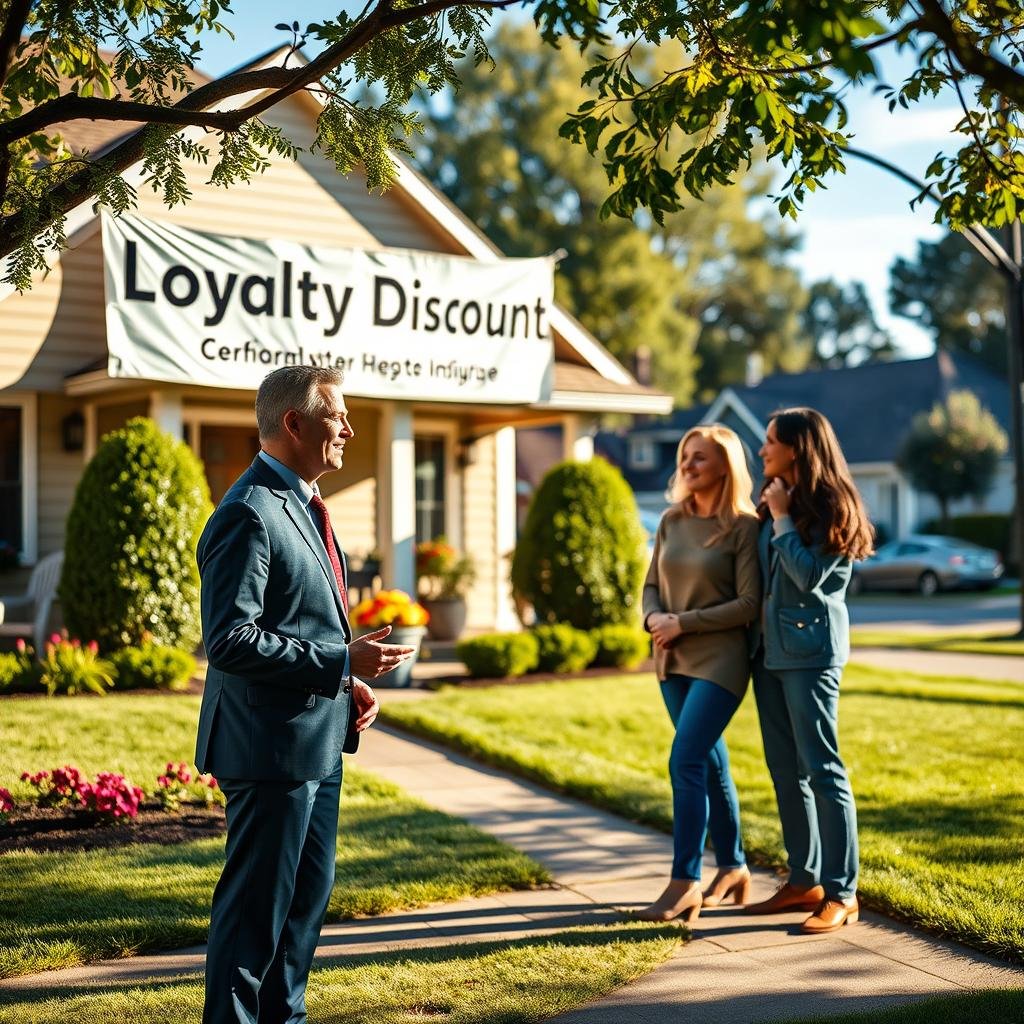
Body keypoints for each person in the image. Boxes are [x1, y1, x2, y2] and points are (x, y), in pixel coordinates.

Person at [195, 365, 416, 1024]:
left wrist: (344, 686)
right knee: (253, 926)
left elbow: (296, 624)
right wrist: (338, 663)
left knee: (299, 921)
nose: (348, 427)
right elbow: (230, 641)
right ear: (295, 423)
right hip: (268, 753)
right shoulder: (248, 511)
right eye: (337, 415)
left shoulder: (305, 502)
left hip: (317, 747)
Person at [743, 407, 874, 934]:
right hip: (767, 655)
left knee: (823, 770)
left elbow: (810, 577)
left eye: (771, 441)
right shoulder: (777, 498)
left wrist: (779, 518)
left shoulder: (830, 505)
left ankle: (843, 892)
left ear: (798, 447)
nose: (763, 449)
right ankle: (805, 880)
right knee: (784, 770)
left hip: (811, 656)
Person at [637, 425, 761, 923]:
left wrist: (680, 622)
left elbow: (750, 603)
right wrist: (653, 619)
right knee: (710, 766)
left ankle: (684, 881)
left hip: (720, 661)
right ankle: (733, 866)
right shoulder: (671, 520)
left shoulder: (744, 527)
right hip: (671, 660)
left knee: (684, 760)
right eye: (686, 456)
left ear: (725, 466)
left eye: (700, 458)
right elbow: (650, 586)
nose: (687, 465)